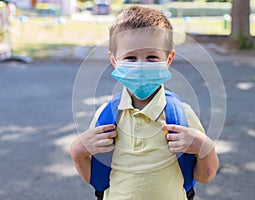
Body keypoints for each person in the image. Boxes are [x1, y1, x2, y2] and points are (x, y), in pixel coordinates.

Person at [69, 5, 219, 200]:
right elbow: (97, 179)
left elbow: (204, 176)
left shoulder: (182, 115)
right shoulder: (105, 117)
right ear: (114, 60)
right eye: (130, 58)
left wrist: (205, 147)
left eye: (152, 57)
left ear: (168, 59)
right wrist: (77, 152)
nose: (141, 65)